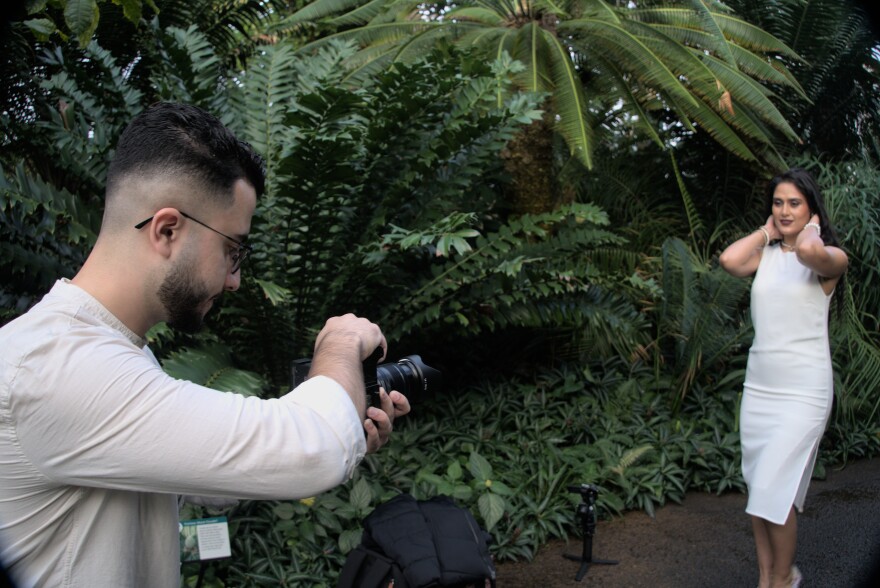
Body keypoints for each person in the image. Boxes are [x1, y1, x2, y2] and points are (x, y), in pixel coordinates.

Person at [0, 102, 411, 587]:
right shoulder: (56, 366)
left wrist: (345, 427)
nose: (235, 281)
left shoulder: (111, 352)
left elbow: (192, 472)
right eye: (233, 251)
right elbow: (311, 450)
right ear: (167, 230)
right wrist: (340, 342)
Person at [719, 168, 848, 588]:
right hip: (759, 390)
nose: (785, 209)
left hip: (804, 392)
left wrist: (809, 230)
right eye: (778, 202)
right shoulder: (766, 255)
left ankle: (784, 578)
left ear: (811, 208)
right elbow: (729, 260)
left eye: (795, 202)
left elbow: (810, 255)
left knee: (774, 493)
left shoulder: (830, 258)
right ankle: (766, 579)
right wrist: (766, 231)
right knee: (760, 496)